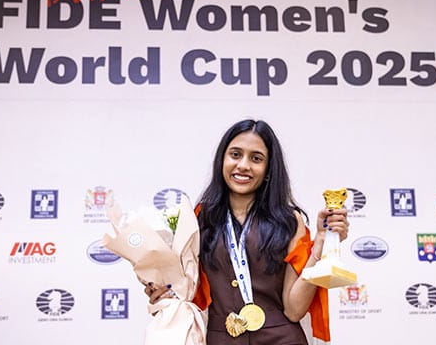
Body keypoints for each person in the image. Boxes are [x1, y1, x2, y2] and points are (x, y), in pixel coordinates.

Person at [147, 119, 349, 344]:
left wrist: (320, 243)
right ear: (222, 160)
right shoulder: (198, 219)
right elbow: (186, 290)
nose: (243, 165)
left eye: (256, 158)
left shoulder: (289, 221)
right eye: (235, 154)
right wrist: (167, 294)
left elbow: (294, 310)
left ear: (269, 169)